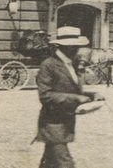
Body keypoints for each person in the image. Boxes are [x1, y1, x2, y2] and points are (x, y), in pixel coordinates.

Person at [34, 26, 104, 168]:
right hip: (52, 124)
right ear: (65, 47)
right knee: (66, 164)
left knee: (50, 164)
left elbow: (71, 90)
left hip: (65, 122)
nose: (78, 50)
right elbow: (45, 96)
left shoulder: (71, 64)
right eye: (75, 46)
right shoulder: (49, 65)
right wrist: (76, 99)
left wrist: (91, 95)